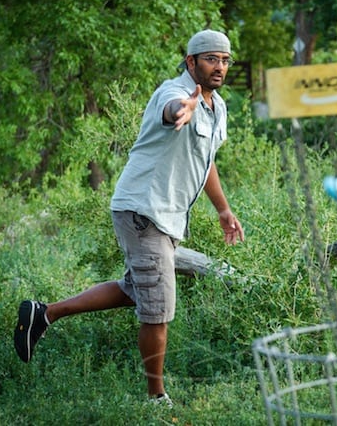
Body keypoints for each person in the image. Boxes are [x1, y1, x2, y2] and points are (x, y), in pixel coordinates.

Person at [14, 29, 245, 406]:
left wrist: (223, 210)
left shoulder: (217, 106)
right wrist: (181, 110)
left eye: (224, 60)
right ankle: (156, 398)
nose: (219, 67)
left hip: (166, 216)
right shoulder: (171, 93)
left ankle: (44, 314)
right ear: (191, 62)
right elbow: (173, 111)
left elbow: (207, 161)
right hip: (144, 211)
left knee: (136, 289)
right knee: (157, 310)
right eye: (210, 59)